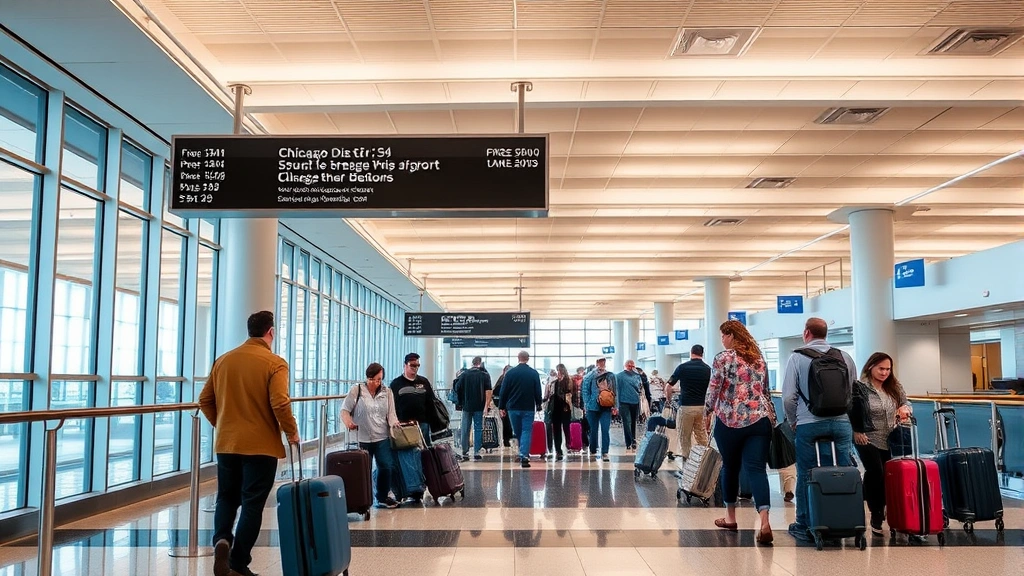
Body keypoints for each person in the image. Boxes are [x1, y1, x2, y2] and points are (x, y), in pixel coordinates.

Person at [199, 311, 299, 576]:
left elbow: (205, 400)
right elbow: (279, 402)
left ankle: (222, 539)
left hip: (227, 444)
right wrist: (292, 432)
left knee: (226, 498)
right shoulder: (274, 363)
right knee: (252, 503)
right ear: (271, 332)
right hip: (261, 446)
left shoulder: (224, 360)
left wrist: (222, 425)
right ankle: (238, 563)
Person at [782, 317, 858, 543]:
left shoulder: (797, 357)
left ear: (806, 333)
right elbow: (853, 391)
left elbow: (788, 397)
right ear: (826, 334)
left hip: (809, 424)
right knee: (842, 470)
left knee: (807, 473)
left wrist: (794, 420)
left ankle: (804, 523)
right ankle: (842, 519)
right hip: (842, 423)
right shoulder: (845, 357)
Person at [703, 320, 775, 545]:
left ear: (731, 335)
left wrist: (707, 411)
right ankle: (764, 521)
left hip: (729, 420)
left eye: (723, 336)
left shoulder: (723, 358)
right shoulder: (759, 358)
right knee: (756, 470)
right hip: (759, 420)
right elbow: (765, 391)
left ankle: (730, 517)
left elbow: (714, 388)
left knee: (730, 468)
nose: (722, 340)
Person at [850, 352, 912, 536]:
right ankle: (876, 514)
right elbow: (852, 410)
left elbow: (906, 401)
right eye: (881, 369)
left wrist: (905, 408)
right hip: (866, 437)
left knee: (887, 474)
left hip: (890, 437)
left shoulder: (894, 386)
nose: (885, 373)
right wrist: (856, 431)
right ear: (870, 367)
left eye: (888, 369)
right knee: (876, 471)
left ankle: (874, 501)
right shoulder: (859, 387)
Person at [341, 363, 401, 509]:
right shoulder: (357, 390)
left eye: (379, 379)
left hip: (382, 436)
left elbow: (391, 413)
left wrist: (394, 423)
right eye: (373, 379)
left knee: (386, 466)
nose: (376, 383)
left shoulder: (387, 392)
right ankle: (363, 498)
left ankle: (382, 496)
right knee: (363, 470)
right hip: (362, 438)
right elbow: (344, 410)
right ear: (368, 378)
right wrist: (349, 423)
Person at [498, 351, 543, 468]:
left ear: (518, 358)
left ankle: (522, 453)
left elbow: (504, 391)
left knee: (518, 431)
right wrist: (538, 404)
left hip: (513, 408)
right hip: (528, 407)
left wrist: (501, 406)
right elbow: (538, 390)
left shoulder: (510, 373)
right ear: (527, 359)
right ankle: (524, 455)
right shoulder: (533, 373)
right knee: (526, 431)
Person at [666, 345, 711, 462]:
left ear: (691, 353)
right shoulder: (707, 369)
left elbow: (668, 387)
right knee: (701, 435)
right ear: (702, 353)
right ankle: (704, 460)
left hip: (686, 406)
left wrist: (668, 399)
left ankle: (687, 461)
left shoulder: (682, 367)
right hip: (701, 407)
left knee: (684, 436)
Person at [390, 352, 437, 447]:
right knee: (406, 451)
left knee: (424, 451)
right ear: (405, 365)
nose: (415, 368)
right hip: (404, 424)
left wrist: (432, 422)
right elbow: (391, 404)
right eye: (412, 365)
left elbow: (431, 402)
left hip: (422, 423)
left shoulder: (424, 382)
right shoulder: (396, 384)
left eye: (417, 365)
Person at [455, 356, 492, 462]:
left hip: (466, 406)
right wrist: (486, 405)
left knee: (465, 428)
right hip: (479, 406)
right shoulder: (484, 375)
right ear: (480, 363)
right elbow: (488, 391)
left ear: (472, 363)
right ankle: (476, 452)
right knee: (478, 428)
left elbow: (457, 387)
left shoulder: (464, 374)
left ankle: (465, 452)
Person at [581, 357, 617, 462]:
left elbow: (615, 391)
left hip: (606, 406)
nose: (602, 363)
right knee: (593, 430)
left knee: (605, 429)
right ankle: (593, 449)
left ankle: (605, 452)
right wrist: (587, 403)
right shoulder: (590, 375)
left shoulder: (610, 375)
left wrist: (615, 406)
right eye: (600, 361)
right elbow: (585, 389)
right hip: (592, 407)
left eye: (603, 361)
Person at [548, 364, 575, 460]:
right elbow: (549, 394)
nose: (557, 372)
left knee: (566, 428)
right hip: (555, 408)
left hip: (565, 408)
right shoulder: (554, 382)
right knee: (556, 430)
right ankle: (558, 450)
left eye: (559, 370)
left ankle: (568, 445)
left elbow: (570, 393)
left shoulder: (568, 381)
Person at [616, 360, 643, 451]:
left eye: (632, 366)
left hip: (634, 401)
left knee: (633, 423)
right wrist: (616, 404)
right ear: (625, 366)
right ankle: (629, 441)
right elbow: (617, 390)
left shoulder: (637, 376)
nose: (631, 367)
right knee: (627, 422)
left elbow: (640, 387)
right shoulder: (619, 376)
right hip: (623, 402)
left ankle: (633, 439)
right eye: (629, 366)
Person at [492, 364, 514, 448]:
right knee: (507, 422)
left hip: (503, 404)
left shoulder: (501, 380)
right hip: (506, 404)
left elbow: (495, 392)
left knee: (506, 422)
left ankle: (507, 439)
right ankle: (507, 439)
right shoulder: (505, 381)